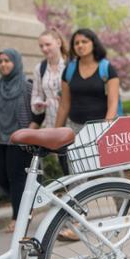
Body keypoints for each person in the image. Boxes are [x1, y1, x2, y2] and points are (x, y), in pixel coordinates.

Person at [0, 49, 35, 233]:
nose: (3, 64)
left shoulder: (27, 86)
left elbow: (37, 112)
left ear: (16, 62)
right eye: (0, 61)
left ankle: (18, 217)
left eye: (7, 61)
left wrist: (31, 131)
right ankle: (26, 204)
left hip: (19, 139)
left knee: (17, 179)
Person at [54, 28, 119, 174]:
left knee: (113, 174)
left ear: (93, 43)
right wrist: (55, 134)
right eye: (76, 43)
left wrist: (105, 129)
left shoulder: (107, 68)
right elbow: (64, 105)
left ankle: (125, 197)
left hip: (102, 127)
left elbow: (113, 102)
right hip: (76, 128)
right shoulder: (69, 70)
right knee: (77, 176)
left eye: (84, 41)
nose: (80, 45)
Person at [31, 28, 68, 129]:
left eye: (48, 44)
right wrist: (38, 105)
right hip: (50, 125)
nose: (44, 49)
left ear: (58, 43)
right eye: (41, 46)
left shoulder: (70, 65)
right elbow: (36, 96)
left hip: (71, 124)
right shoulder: (40, 68)